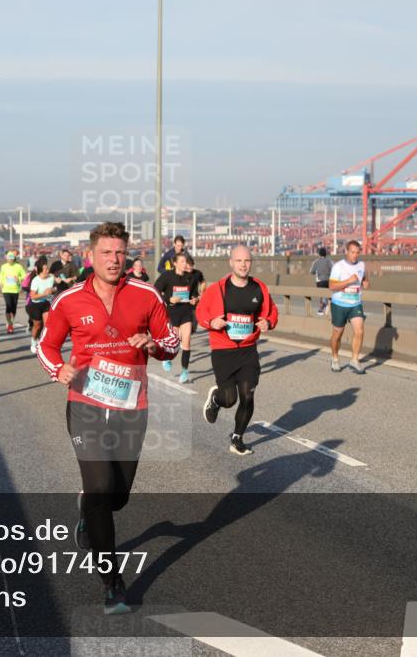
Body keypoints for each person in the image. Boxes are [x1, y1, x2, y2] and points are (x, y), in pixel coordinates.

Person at [36, 221, 179, 615]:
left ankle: (88, 509)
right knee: (100, 487)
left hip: (131, 408)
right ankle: (112, 583)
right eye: (106, 253)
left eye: (120, 253)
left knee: (118, 496)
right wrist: (58, 370)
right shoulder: (68, 300)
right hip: (85, 404)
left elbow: (172, 342)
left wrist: (153, 344)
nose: (114, 260)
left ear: (127, 254)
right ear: (91, 256)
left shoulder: (146, 295)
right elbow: (45, 346)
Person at [196, 245, 278, 455]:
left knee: (248, 395)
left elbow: (271, 311)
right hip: (223, 350)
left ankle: (237, 438)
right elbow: (201, 311)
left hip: (248, 350)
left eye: (247, 261)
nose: (243, 265)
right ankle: (217, 398)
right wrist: (210, 322)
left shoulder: (259, 288)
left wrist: (269, 322)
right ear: (231, 263)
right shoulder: (219, 288)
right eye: (239, 261)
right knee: (229, 399)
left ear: (251, 263)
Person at [153, 252, 202, 383]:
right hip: (172, 312)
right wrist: (169, 299)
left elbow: (194, 294)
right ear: (175, 263)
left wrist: (194, 299)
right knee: (174, 341)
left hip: (186, 312)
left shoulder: (190, 277)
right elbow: (155, 291)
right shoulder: (167, 276)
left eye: (185, 262)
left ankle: (184, 372)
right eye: (182, 262)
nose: (185, 264)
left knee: (186, 342)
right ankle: (167, 358)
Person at [328, 240, 369, 374]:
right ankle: (335, 358)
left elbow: (364, 277)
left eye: (357, 253)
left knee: (360, 330)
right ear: (346, 251)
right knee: (338, 334)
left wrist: (366, 282)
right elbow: (332, 286)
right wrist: (348, 281)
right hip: (339, 304)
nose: (355, 255)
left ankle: (354, 360)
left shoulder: (362, 265)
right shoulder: (338, 267)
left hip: (355, 304)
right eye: (352, 252)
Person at [27, 259, 55, 354]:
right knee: (37, 325)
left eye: (48, 268)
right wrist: (44, 293)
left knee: (48, 324)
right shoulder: (35, 280)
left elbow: (53, 288)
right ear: (40, 271)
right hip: (36, 304)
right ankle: (34, 342)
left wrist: (53, 289)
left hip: (46, 303)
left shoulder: (51, 278)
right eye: (46, 269)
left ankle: (44, 343)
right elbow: (32, 296)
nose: (48, 270)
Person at [0, 251, 27, 334]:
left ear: (14, 259)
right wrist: (0, 283)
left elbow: (24, 276)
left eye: (11, 259)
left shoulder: (18, 266)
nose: (10, 260)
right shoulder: (3, 266)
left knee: (13, 308)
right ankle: (10, 324)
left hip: (15, 289)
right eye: (8, 259)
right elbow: (1, 276)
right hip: (6, 289)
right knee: (8, 306)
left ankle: (11, 321)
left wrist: (19, 278)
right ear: (6, 259)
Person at [309, 247, 334, 315]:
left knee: (321, 294)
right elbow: (334, 269)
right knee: (328, 294)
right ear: (326, 254)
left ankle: (321, 309)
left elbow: (311, 272)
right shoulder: (329, 261)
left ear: (319, 254)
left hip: (319, 281)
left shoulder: (316, 262)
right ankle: (328, 307)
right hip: (328, 280)